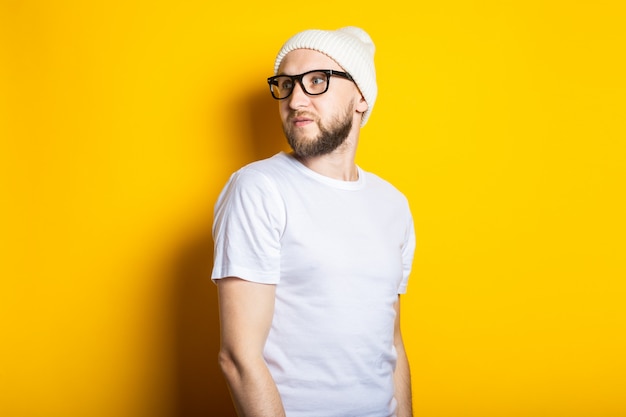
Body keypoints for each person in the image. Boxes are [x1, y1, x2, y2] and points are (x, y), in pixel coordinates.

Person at [212, 26, 416, 417]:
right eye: (286, 85)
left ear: (360, 97)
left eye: (317, 81)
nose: (295, 99)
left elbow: (391, 342)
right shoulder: (260, 189)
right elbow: (238, 359)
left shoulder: (393, 204)